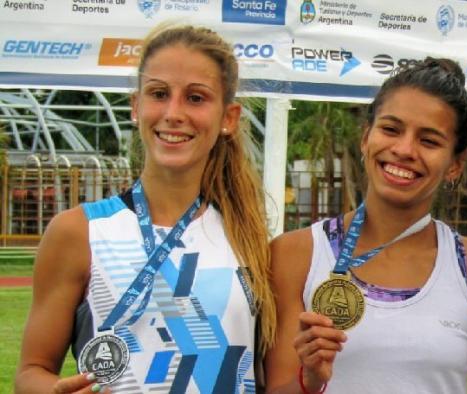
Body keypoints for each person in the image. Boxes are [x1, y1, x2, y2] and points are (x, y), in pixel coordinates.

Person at [15, 24, 275, 393]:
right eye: (159, 94)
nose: (173, 113)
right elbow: (30, 372)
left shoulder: (250, 239)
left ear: (228, 119)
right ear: (136, 107)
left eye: (196, 98)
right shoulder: (79, 232)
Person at [265, 58, 467, 394]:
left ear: (455, 165)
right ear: (365, 138)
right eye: (391, 129)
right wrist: (310, 379)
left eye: (429, 141)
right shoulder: (295, 254)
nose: (404, 149)